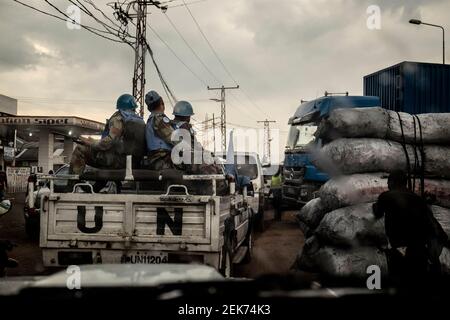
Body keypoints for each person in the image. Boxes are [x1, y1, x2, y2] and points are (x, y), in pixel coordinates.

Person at [372, 170, 448, 285]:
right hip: (420, 253)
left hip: (400, 253)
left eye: (388, 182)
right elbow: (435, 227)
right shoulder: (419, 200)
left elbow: (377, 213)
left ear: (392, 182)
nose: (387, 185)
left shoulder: (386, 196)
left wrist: (375, 206)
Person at [69, 94, 146, 176]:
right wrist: (95, 141)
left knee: (79, 149)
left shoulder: (118, 118)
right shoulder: (140, 121)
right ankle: (98, 187)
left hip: (117, 161)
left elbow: (109, 142)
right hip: (133, 162)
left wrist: (92, 143)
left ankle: (72, 182)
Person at [145, 91, 176, 170]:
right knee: (198, 162)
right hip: (162, 159)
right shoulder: (159, 119)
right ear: (161, 104)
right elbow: (175, 139)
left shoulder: (150, 120)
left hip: (155, 158)